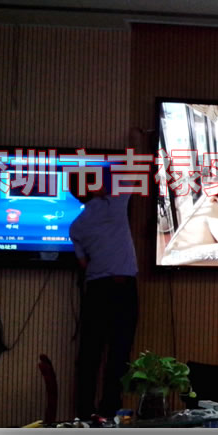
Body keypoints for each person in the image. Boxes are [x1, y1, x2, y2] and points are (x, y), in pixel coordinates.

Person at [68, 171, 138, 420]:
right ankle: (109, 411)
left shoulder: (76, 227)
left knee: (90, 352)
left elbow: (83, 263)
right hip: (122, 288)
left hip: (96, 291)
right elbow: (133, 176)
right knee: (119, 352)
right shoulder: (114, 204)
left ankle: (84, 413)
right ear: (93, 186)